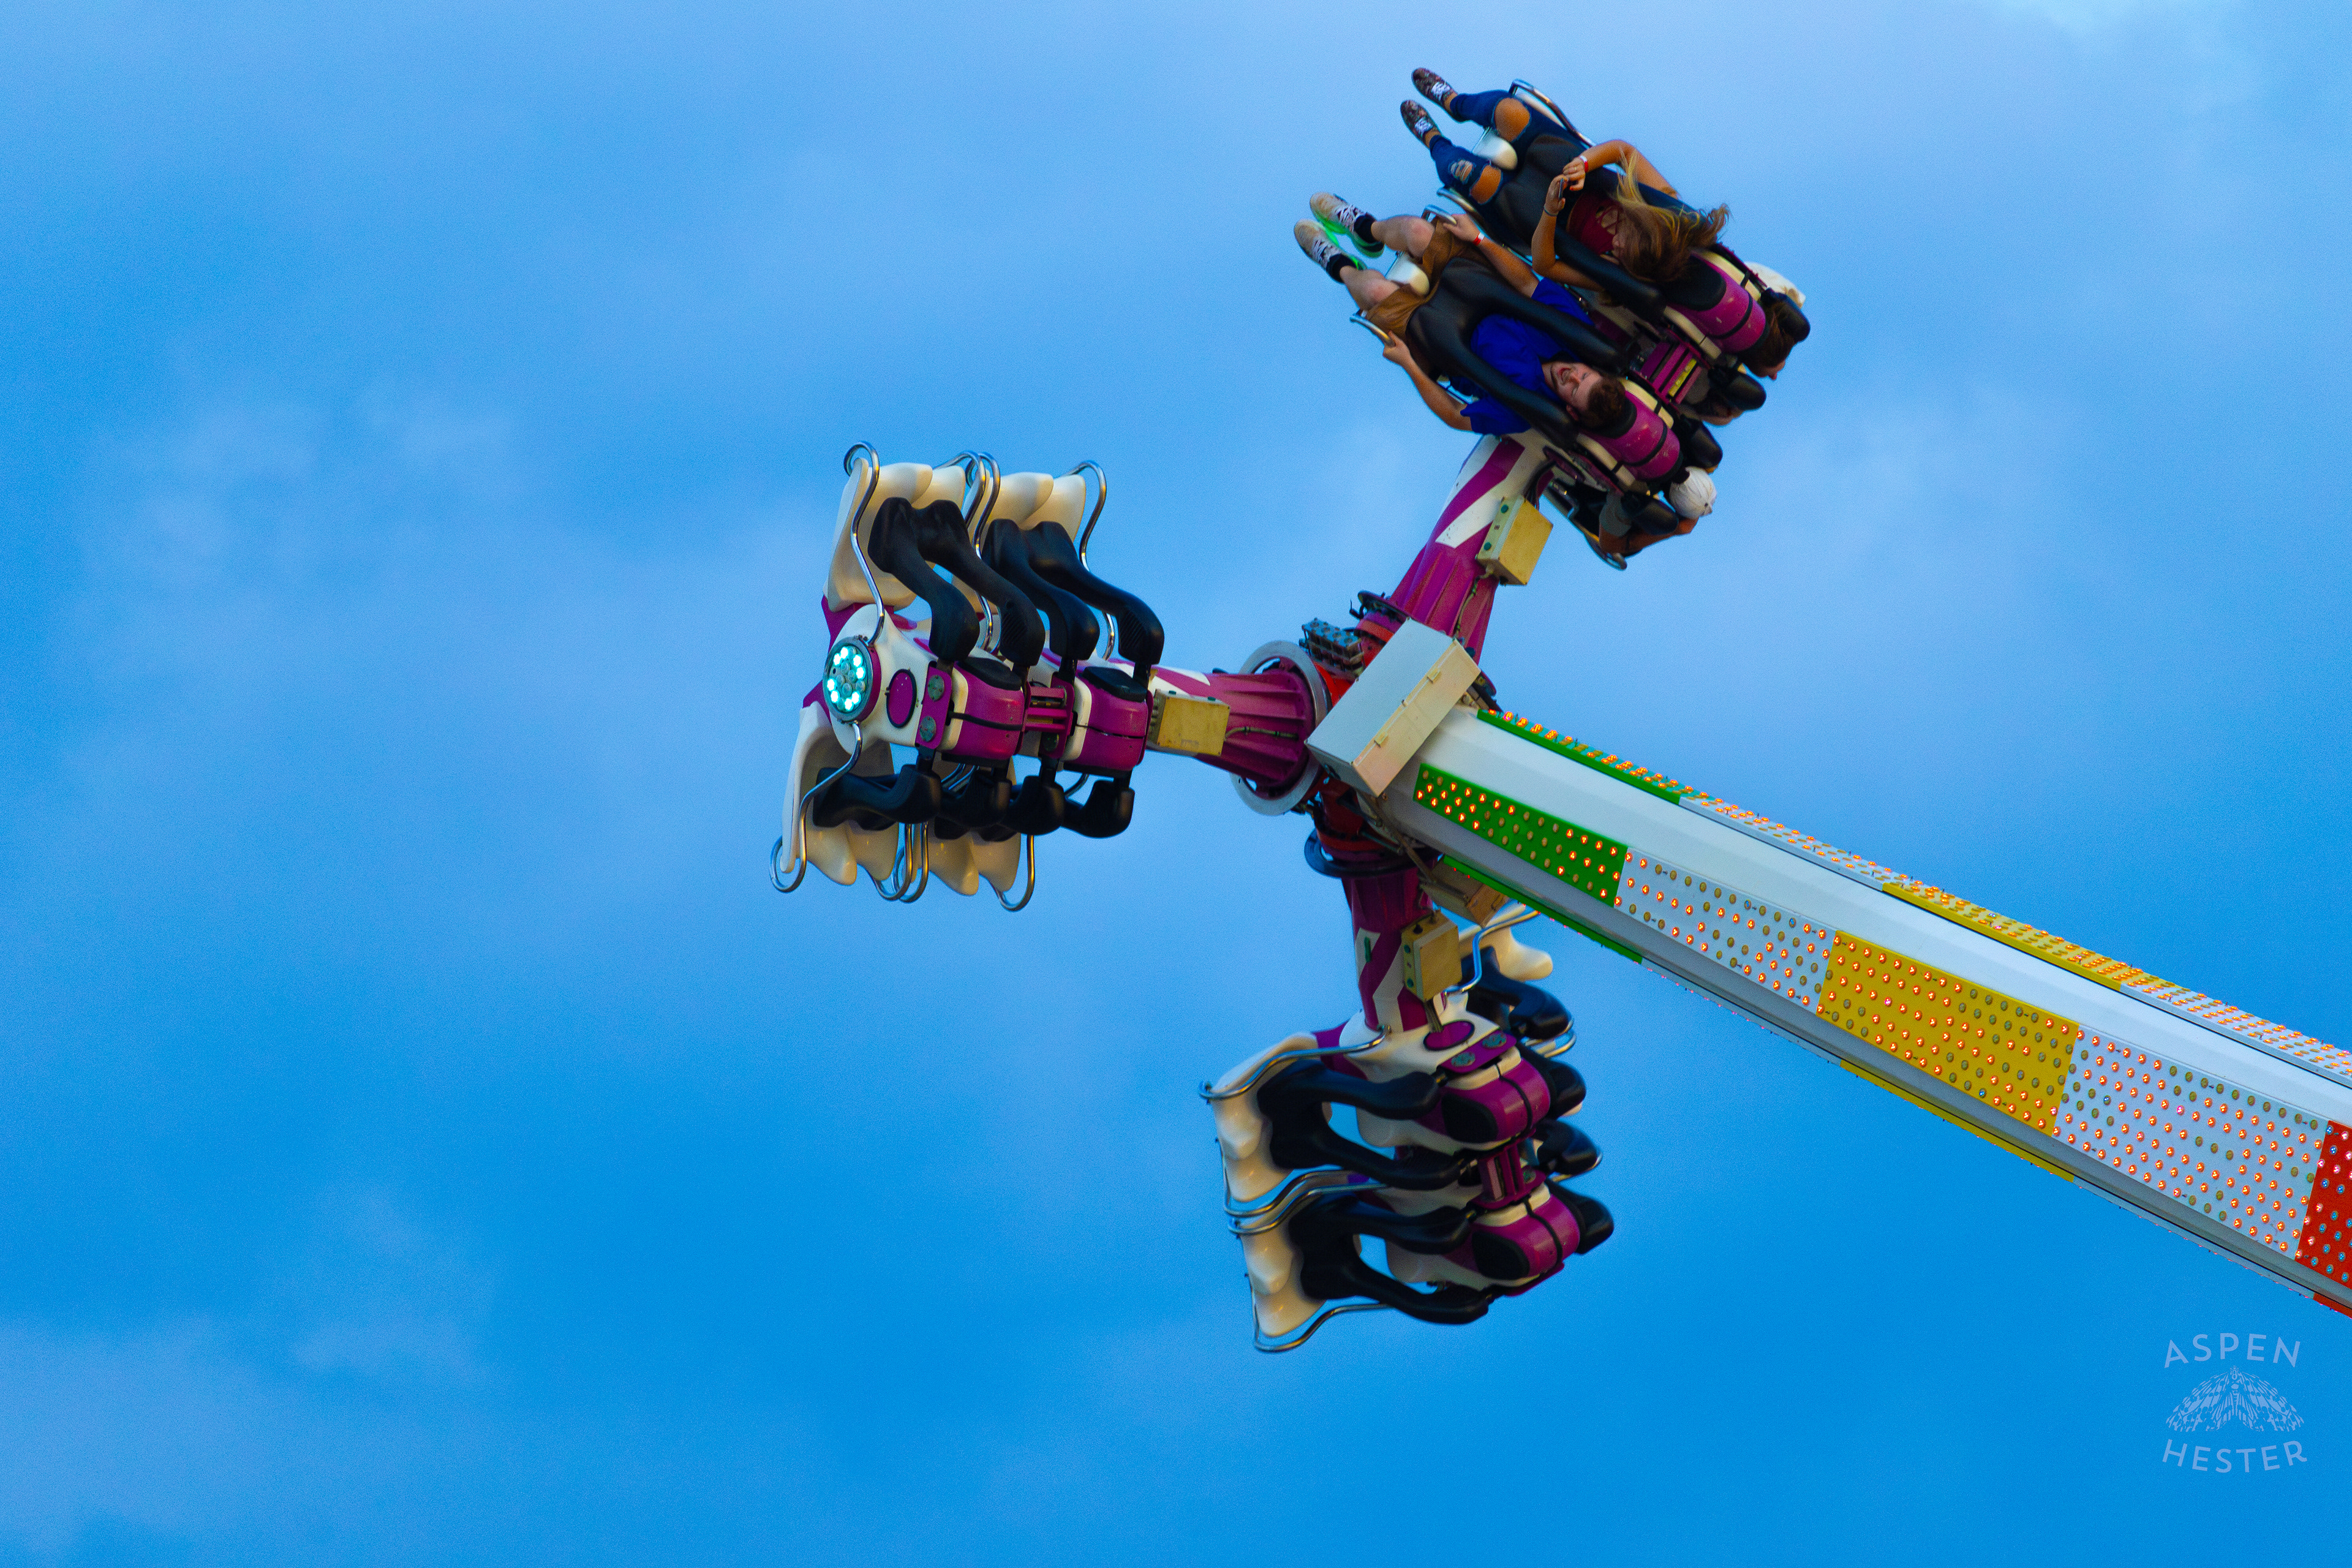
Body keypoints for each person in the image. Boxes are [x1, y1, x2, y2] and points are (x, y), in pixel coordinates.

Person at [1294, 202, 1711, 559]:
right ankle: (1365, 228)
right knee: (1418, 231)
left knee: (1377, 293)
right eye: (1582, 374)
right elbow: (1528, 282)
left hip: (1442, 337)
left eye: (1572, 387)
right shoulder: (1574, 332)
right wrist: (1479, 241)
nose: (1571, 374)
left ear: (1569, 408)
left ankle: (1337, 263)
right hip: (1474, 284)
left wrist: (1409, 365)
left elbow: (1458, 416)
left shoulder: (1522, 409)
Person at [1408, 70, 1805, 379]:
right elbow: (1622, 151)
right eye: (1633, 236)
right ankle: (1454, 100)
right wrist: (1584, 165)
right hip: (1573, 169)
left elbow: (1545, 266)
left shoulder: (1620, 280)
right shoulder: (1671, 213)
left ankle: (1433, 141)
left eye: (1625, 251)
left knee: (1472, 176)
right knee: (1510, 113)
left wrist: (1549, 212)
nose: (1622, 243)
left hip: (1543, 213)